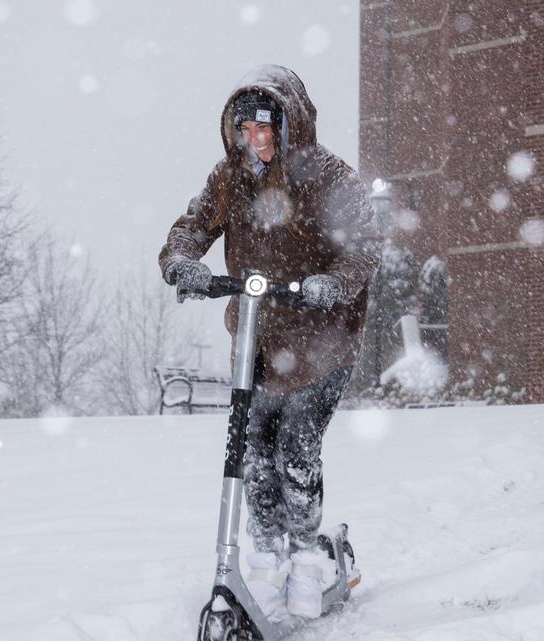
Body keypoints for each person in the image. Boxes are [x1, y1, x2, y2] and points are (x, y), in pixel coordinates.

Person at [157, 65, 382, 619]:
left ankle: (307, 557)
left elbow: (365, 243)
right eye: (245, 129)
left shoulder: (328, 177)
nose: (256, 140)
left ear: (289, 125)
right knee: (252, 455)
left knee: (296, 452)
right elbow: (192, 226)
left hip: (322, 341)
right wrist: (182, 262)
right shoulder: (228, 178)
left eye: (266, 126)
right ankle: (268, 558)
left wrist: (335, 282)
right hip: (256, 341)